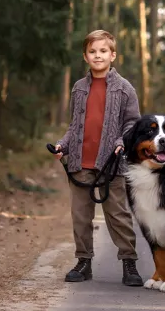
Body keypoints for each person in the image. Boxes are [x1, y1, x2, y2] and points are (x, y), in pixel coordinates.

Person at [53, 29, 143, 286]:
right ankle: (84, 262)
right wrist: (63, 145)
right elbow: (75, 125)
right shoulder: (79, 88)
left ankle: (129, 262)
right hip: (81, 162)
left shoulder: (125, 89)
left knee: (118, 214)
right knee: (80, 215)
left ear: (113, 55)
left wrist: (120, 143)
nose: (98, 55)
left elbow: (132, 124)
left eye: (103, 51)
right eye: (92, 51)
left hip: (111, 164)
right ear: (85, 56)